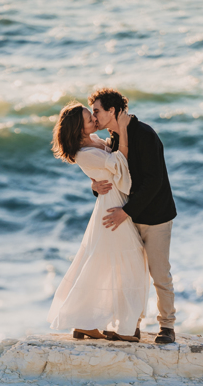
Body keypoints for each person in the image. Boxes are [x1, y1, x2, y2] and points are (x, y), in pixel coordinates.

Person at [48, 102, 150, 342]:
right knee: (126, 261)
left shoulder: (93, 139)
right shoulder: (84, 153)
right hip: (111, 209)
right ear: (78, 128)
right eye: (88, 118)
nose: (94, 119)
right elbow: (120, 164)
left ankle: (87, 323)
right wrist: (123, 129)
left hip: (114, 202)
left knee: (109, 263)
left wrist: (94, 183)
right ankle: (118, 327)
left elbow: (108, 171)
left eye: (91, 114)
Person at [88, 87, 177, 345]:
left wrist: (126, 212)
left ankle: (167, 327)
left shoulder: (145, 134)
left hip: (156, 216)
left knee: (159, 273)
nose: (94, 118)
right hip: (129, 216)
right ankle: (131, 327)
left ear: (112, 111)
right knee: (131, 274)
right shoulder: (114, 138)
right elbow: (113, 177)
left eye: (96, 111)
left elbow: (154, 181)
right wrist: (94, 186)